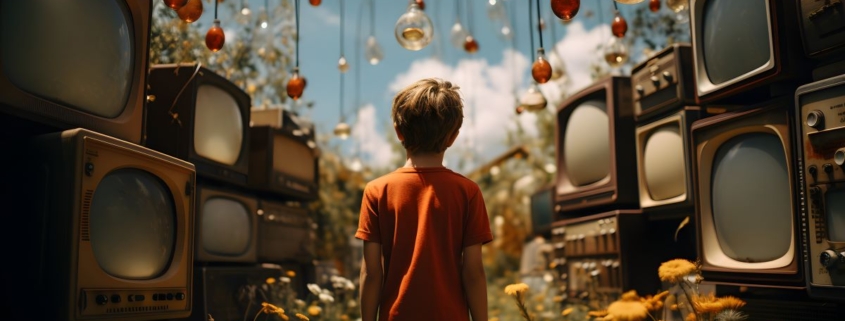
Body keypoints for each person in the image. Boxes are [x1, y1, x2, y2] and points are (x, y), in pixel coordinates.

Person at [356, 78, 493, 321]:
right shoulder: (468, 192)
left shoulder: (377, 191)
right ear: (453, 137)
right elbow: (473, 272)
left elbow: (372, 272)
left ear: (399, 132)